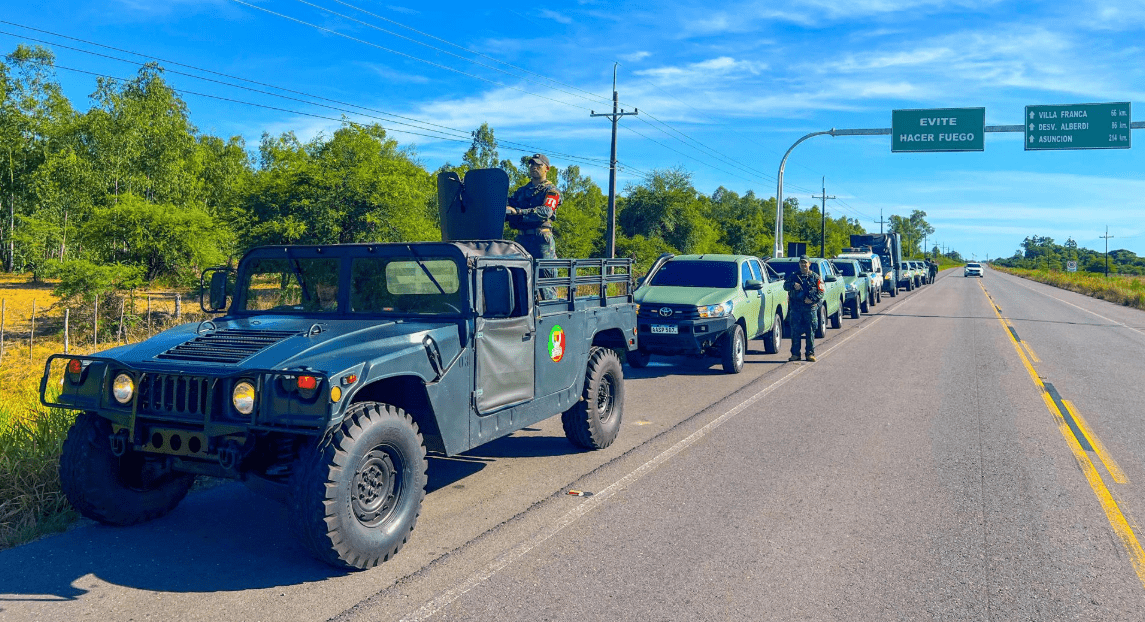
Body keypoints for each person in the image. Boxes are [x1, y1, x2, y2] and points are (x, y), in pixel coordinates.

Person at [507, 154, 560, 298]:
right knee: (519, 279)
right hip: (522, 240)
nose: (534, 167)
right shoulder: (521, 192)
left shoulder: (552, 191)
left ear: (547, 168)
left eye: (538, 165)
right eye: (531, 165)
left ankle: (550, 313)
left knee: (546, 282)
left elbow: (545, 211)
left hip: (541, 240)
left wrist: (518, 212)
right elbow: (508, 206)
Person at [783, 255, 824, 362]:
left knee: (810, 331)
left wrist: (812, 299)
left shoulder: (815, 277)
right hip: (796, 309)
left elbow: (821, 292)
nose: (803, 265)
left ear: (809, 264)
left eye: (805, 263)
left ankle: (810, 354)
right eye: (801, 263)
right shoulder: (794, 276)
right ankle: (795, 354)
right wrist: (793, 285)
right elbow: (785, 286)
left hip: (809, 309)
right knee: (795, 332)